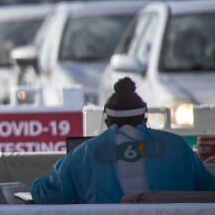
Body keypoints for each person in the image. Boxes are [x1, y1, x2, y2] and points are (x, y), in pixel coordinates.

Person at [31, 76, 215, 203]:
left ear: (107, 121)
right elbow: (207, 186)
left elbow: (52, 194)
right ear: (145, 118)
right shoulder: (177, 146)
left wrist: (35, 185)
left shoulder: (83, 153)